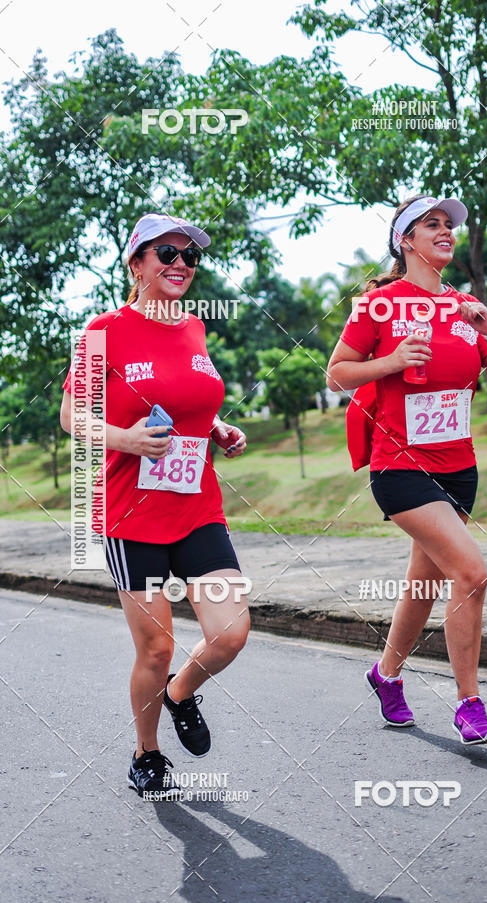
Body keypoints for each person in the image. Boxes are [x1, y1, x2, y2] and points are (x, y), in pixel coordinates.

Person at [60, 213, 251, 796]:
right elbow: (71, 417)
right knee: (157, 645)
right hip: (132, 515)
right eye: (166, 252)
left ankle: (179, 692)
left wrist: (215, 427)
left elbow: (186, 401)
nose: (181, 264)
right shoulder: (103, 331)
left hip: (197, 506)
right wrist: (124, 439)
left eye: (191, 257)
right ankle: (147, 753)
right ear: (136, 263)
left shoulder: (194, 329)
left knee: (232, 632)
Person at [327, 195, 487, 745]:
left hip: (459, 469)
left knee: (421, 587)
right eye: (433, 224)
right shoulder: (379, 305)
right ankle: (469, 704)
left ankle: (386, 675)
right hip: (401, 467)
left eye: (449, 225)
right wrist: (393, 362)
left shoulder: (464, 305)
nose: (446, 231)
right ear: (406, 240)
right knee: (471, 573)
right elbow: (337, 374)